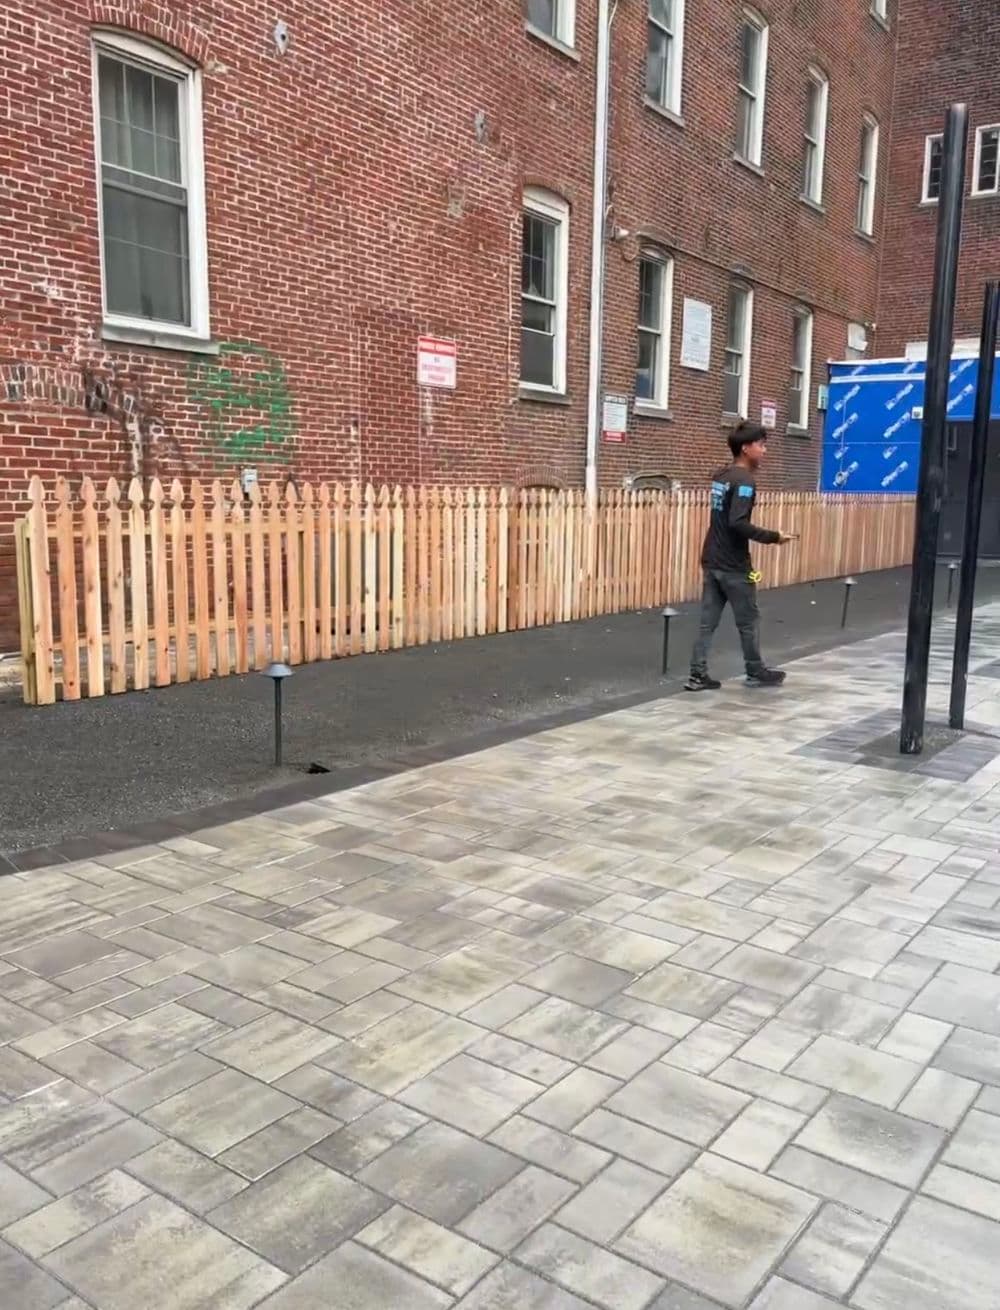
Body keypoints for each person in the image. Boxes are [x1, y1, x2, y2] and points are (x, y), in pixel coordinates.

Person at [685, 423, 796, 691]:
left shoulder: (721, 475)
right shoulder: (744, 481)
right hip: (734, 565)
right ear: (746, 448)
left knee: (707, 622)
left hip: (711, 559)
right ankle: (755, 670)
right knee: (748, 620)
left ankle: (697, 675)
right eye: (761, 445)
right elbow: (737, 522)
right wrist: (774, 536)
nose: (764, 450)